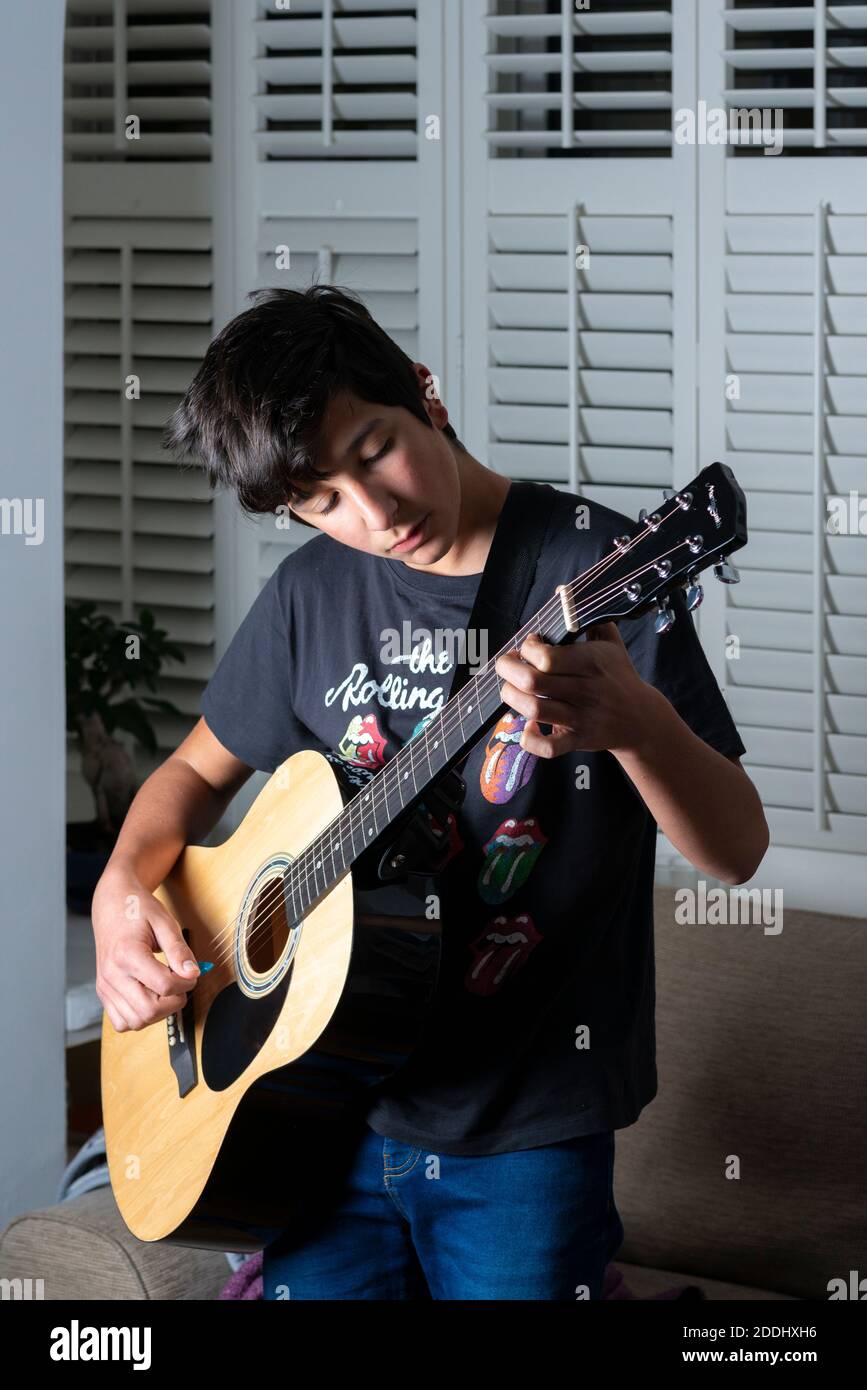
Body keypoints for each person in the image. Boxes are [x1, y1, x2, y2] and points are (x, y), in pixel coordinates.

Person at [91, 283, 769, 1301]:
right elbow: (190, 772)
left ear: (423, 392)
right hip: (313, 1115)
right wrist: (120, 889)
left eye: (374, 451)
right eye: (321, 499)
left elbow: (737, 848)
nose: (375, 514)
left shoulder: (590, 561)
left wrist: (642, 726)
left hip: (524, 1135)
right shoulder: (309, 596)